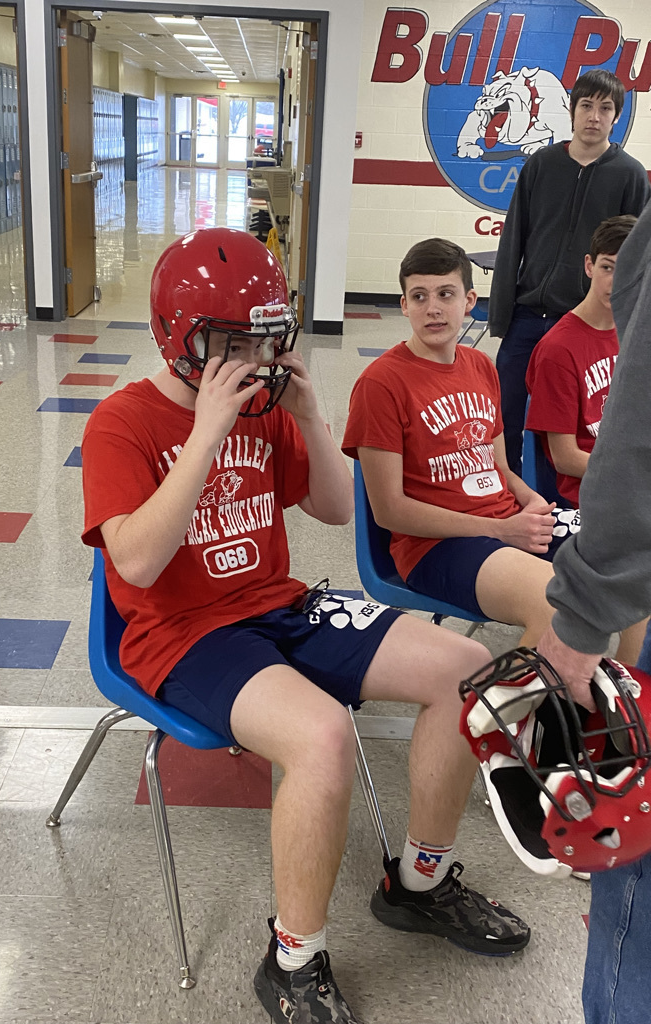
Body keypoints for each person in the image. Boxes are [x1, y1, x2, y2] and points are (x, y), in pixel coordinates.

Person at [80, 227, 530, 1024]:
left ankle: (420, 883)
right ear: (179, 339)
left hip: (282, 604)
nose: (252, 360)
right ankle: (293, 958)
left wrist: (311, 414)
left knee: (466, 671)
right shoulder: (122, 421)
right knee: (322, 736)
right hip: (183, 635)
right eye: (230, 344)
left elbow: (330, 506)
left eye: (263, 340)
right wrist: (206, 432)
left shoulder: (265, 407)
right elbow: (139, 564)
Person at [342, 237, 644, 663]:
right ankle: (494, 707)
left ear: (469, 301)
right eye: (420, 296)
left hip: (505, 520)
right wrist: (501, 531)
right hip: (436, 546)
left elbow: (500, 467)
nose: (433, 308)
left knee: (636, 560)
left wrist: (531, 500)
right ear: (404, 305)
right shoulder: (380, 384)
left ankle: (629, 691)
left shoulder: (481, 365)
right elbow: (390, 511)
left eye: (445, 294)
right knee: (557, 604)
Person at [535, 198, 651, 1024]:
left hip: (613, 527)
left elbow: (635, 442)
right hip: (571, 514)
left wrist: (582, 615)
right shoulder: (560, 346)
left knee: (641, 876)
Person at [488, 69, 649, 476]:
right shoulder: (541, 164)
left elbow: (634, 260)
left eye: (605, 108)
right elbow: (513, 239)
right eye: (586, 106)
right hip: (527, 316)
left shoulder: (629, 174)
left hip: (582, 323)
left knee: (566, 428)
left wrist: (626, 327)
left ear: (617, 116)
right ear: (572, 110)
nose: (594, 116)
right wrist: (501, 315)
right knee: (505, 417)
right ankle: (508, 494)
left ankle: (553, 499)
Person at [525, 214, 636, 510]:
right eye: (607, 267)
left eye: (630, 268)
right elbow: (564, 458)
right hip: (593, 493)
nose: (617, 281)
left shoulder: (633, 332)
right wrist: (633, 476)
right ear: (589, 266)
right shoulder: (558, 350)